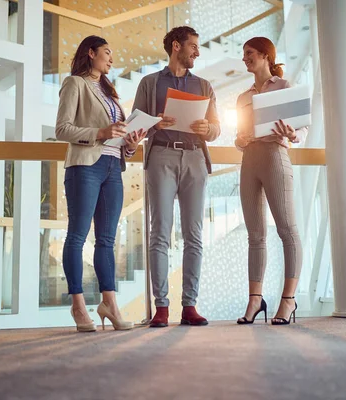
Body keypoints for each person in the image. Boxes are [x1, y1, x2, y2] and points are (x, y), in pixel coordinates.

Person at [55, 35, 146, 332]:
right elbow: (62, 129)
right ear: (91, 53)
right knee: (77, 237)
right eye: (107, 53)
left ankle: (110, 305)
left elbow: (118, 139)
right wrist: (101, 132)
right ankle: (78, 306)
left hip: (112, 167)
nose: (111, 59)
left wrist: (130, 142)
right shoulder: (75, 84)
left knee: (107, 240)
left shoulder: (111, 93)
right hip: (85, 166)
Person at [132, 26, 221, 328]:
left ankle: (189, 305)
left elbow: (216, 127)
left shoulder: (205, 85)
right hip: (161, 156)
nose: (197, 52)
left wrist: (209, 129)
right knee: (160, 232)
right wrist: (155, 124)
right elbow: (136, 125)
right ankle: (161, 307)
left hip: (195, 157)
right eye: (193, 46)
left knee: (194, 234)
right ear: (175, 46)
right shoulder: (150, 83)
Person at [234, 37, 308, 326]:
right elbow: (239, 137)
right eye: (244, 55)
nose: (245, 59)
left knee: (287, 230)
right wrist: (239, 139)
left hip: (275, 155)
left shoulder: (284, 87)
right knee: (255, 235)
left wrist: (292, 134)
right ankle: (255, 299)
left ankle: (288, 300)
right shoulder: (242, 98)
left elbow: (301, 129)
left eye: (249, 54)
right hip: (249, 160)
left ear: (266, 55)